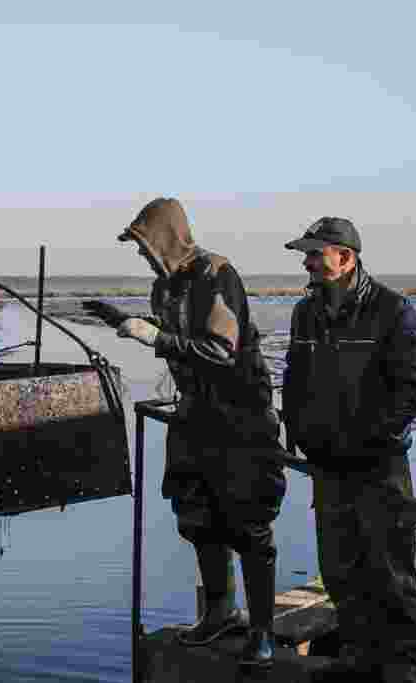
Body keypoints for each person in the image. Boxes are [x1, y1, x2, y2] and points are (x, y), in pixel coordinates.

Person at [115, 197, 287, 669]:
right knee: (196, 516)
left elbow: (219, 350)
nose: (140, 253)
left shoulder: (217, 274)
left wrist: (154, 338)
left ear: (165, 238)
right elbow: (179, 341)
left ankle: (263, 632)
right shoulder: (163, 290)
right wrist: (129, 323)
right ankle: (220, 612)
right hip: (194, 419)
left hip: (240, 422)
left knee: (249, 524)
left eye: (142, 243)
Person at [281, 217, 416, 682]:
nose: (306, 262)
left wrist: (364, 438)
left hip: (378, 466)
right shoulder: (305, 312)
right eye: (305, 254)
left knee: (390, 573)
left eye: (314, 254)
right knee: (340, 570)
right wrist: (298, 429)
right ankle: (356, 662)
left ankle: (405, 672)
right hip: (327, 465)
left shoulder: (393, 310)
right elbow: (294, 375)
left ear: (345, 257)